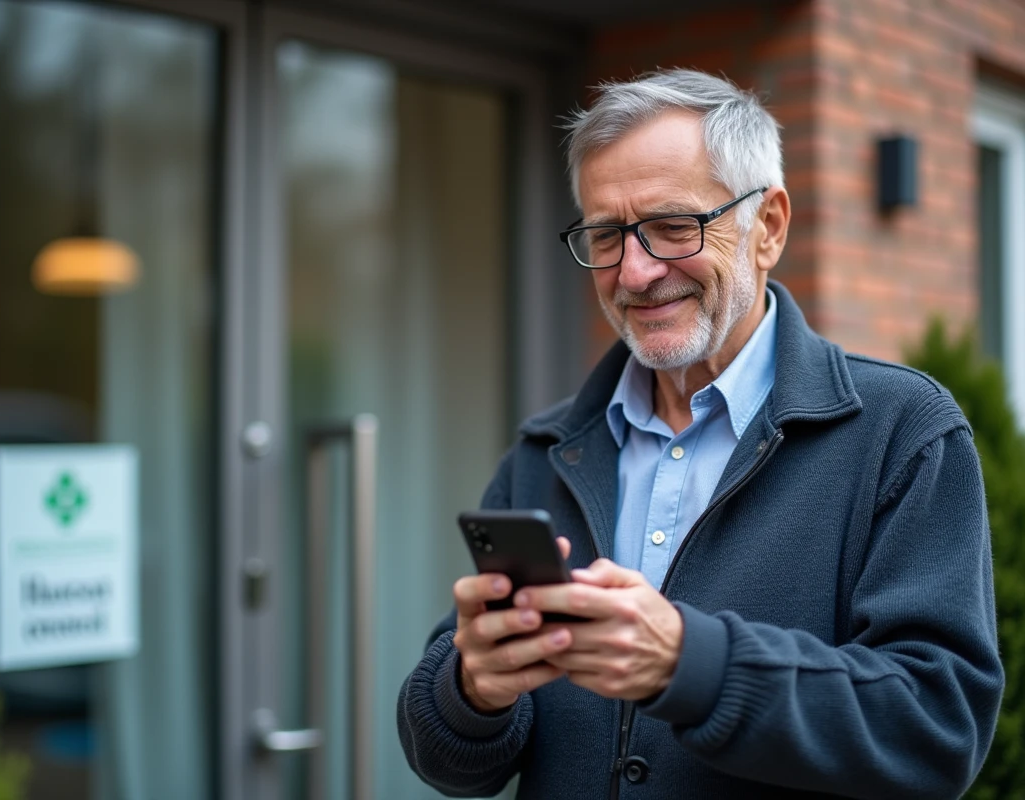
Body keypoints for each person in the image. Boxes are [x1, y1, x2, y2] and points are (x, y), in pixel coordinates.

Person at [396, 69, 1004, 800]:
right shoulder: (546, 449)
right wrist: (471, 688)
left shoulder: (902, 434)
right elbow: (448, 761)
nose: (636, 271)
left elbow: (937, 732)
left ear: (769, 227)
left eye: (674, 226)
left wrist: (693, 665)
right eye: (606, 235)